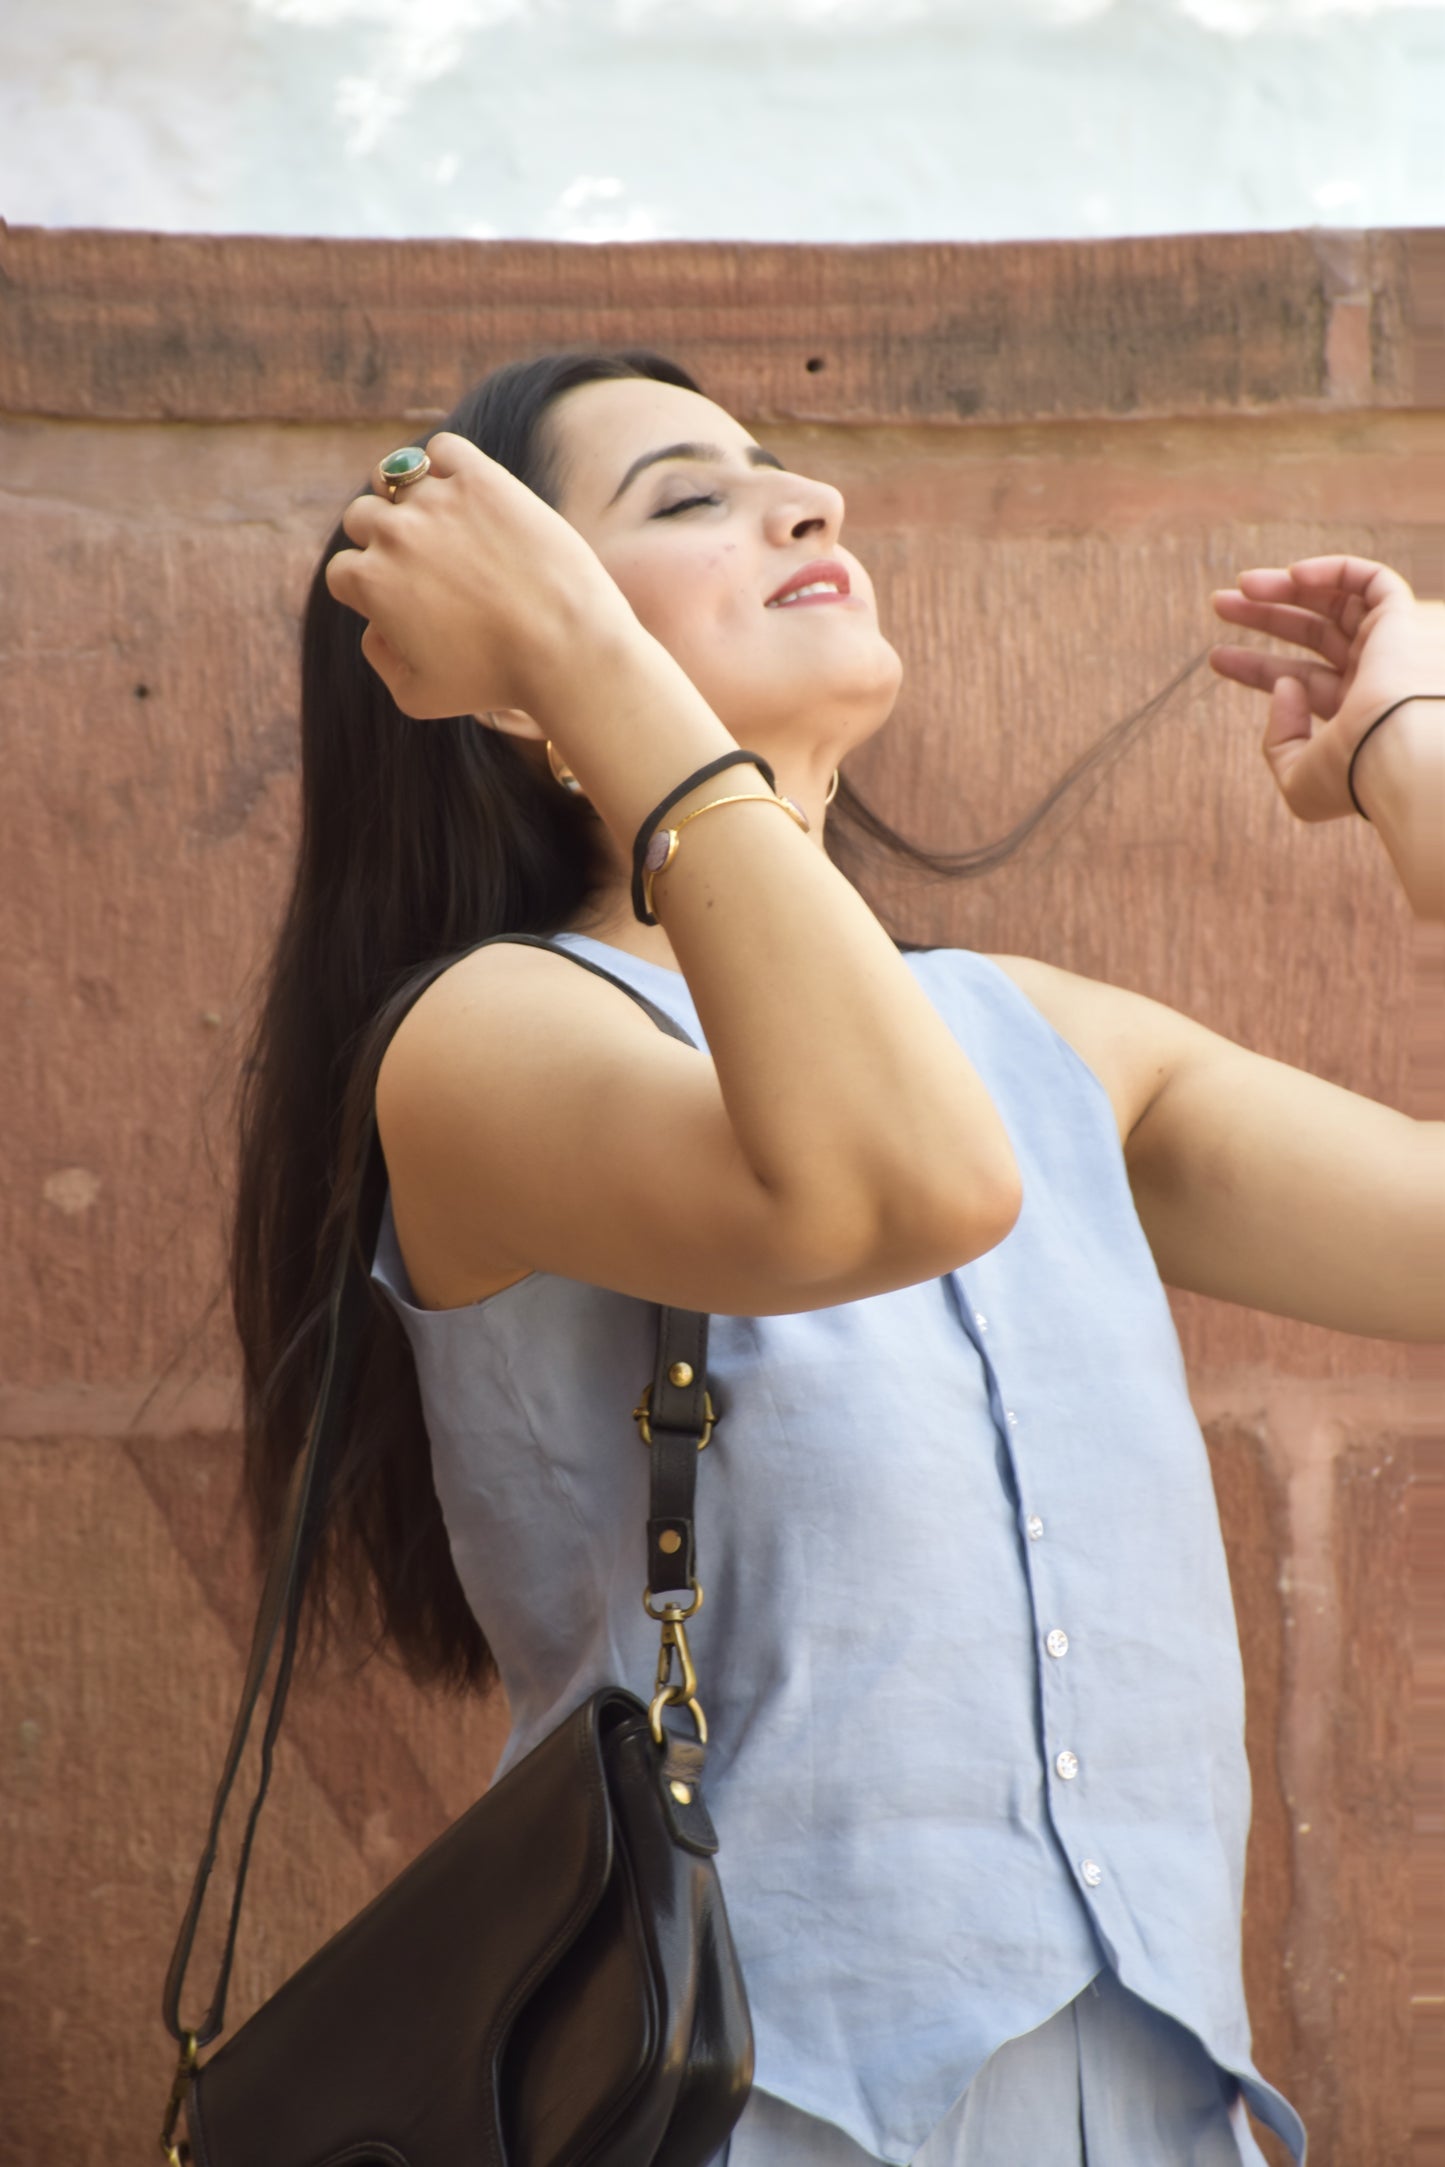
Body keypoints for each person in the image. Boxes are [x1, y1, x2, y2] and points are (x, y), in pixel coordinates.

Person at [233, 349, 1444, 2166]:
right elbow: (888, 1193)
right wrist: (586, 676)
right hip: (745, 2107)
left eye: (781, 470)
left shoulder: (1037, 1032)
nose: (809, 508)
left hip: (1156, 2112)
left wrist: (1410, 760)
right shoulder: (487, 1038)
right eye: (684, 499)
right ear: (513, 648)